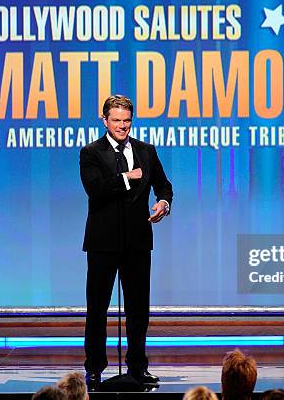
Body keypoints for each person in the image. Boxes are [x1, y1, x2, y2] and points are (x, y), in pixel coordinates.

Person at [80, 95, 173, 391]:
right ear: (104, 120)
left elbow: (163, 184)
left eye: (126, 120)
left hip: (138, 242)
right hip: (102, 243)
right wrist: (126, 177)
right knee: (97, 309)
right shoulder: (91, 152)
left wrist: (163, 202)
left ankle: (138, 367)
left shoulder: (146, 151)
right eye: (116, 120)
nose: (122, 126)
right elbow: (94, 189)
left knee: (138, 309)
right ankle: (94, 369)